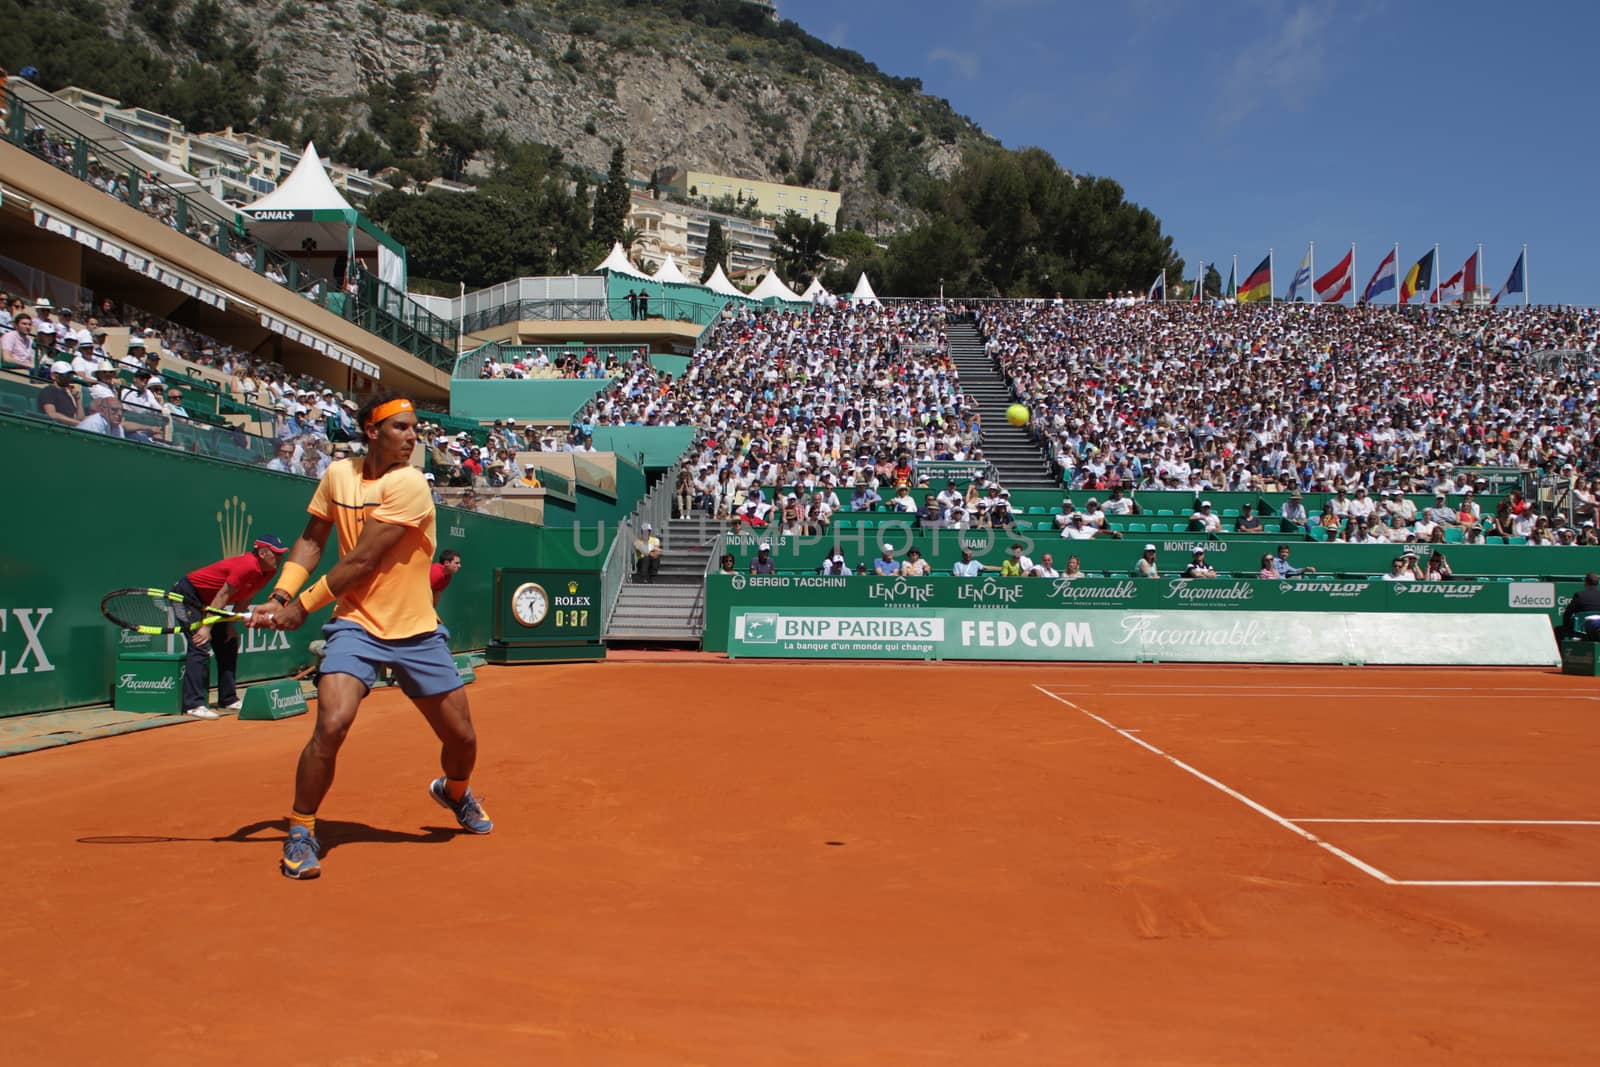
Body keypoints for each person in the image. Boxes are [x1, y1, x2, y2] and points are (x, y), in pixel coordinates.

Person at [254, 393, 492, 882]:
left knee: (462, 738)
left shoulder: (410, 485)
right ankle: (300, 828)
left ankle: (454, 792)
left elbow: (362, 561)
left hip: (416, 632)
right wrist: (281, 596)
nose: (412, 437)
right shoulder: (338, 475)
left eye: (415, 428)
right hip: (356, 625)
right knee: (332, 724)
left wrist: (302, 607)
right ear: (370, 430)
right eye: (401, 428)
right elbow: (313, 539)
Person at [176, 535, 289, 718]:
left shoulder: (269, 570)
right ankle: (193, 704)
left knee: (229, 643)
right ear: (262, 553)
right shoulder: (246, 566)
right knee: (200, 643)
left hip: (211, 602)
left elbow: (246, 597)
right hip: (188, 596)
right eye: (276, 554)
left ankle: (228, 699)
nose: (280, 558)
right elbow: (222, 596)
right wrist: (206, 627)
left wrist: (230, 626)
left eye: (281, 554)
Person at [36, 360, 80, 426]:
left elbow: (79, 418)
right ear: (54, 376)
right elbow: (52, 414)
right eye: (65, 375)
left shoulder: (69, 394)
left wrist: (78, 400)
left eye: (70, 376)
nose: (69, 378)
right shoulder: (48, 391)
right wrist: (77, 423)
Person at [1561, 573, 1600, 639]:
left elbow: (1567, 613)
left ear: (1586, 583)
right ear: (1597, 583)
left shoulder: (1579, 595)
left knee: (1558, 630)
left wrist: (1566, 627)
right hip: (1596, 629)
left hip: (1581, 629)